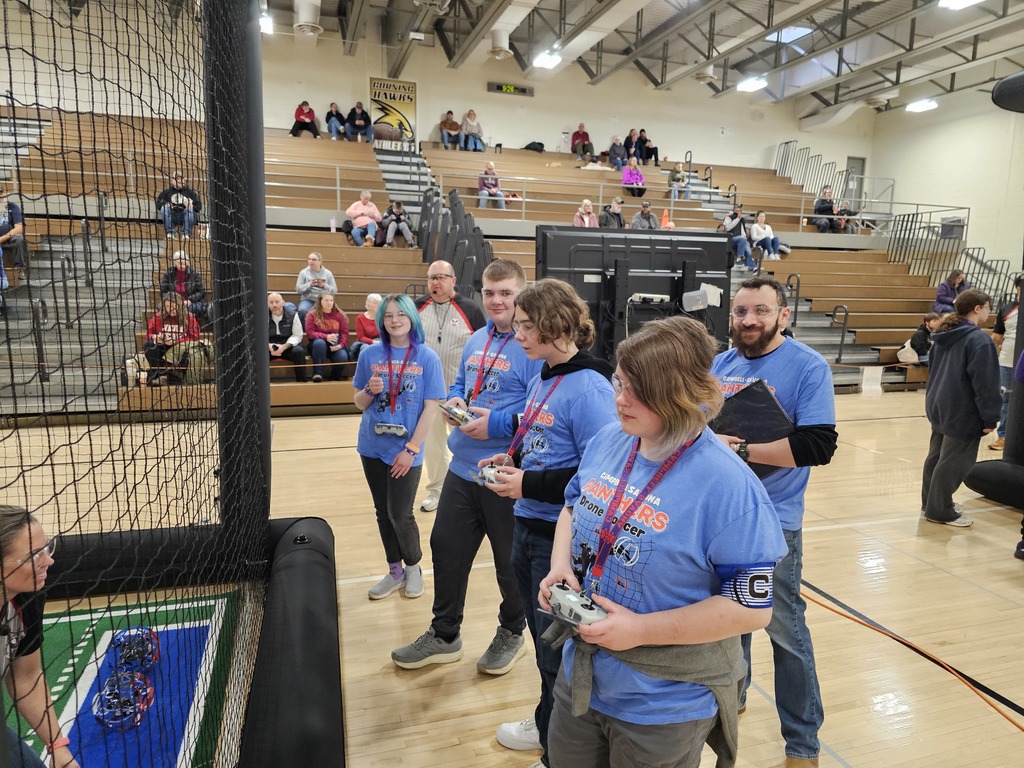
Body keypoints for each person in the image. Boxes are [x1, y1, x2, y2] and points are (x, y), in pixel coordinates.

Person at [541, 316, 787, 768]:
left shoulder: (729, 486)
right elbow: (573, 506)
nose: (620, 399)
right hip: (583, 677)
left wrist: (639, 631)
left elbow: (752, 609)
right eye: (620, 381)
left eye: (639, 389)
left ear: (681, 393)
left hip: (662, 704)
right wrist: (562, 565)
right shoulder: (611, 439)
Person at [482, 278, 618, 768]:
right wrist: (512, 456)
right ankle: (547, 727)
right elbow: (541, 436)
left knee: (554, 651)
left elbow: (597, 474)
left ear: (555, 325)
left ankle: (558, 747)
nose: (517, 334)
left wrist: (528, 484)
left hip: (554, 537)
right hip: (528, 524)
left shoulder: (591, 387)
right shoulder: (545, 374)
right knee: (545, 649)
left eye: (525, 325)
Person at [710, 275, 839, 768]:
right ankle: (735, 693)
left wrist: (742, 449)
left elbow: (817, 446)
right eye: (742, 311)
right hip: (720, 515)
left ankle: (802, 744)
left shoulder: (808, 366)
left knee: (784, 631)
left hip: (773, 522)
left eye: (761, 311)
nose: (749, 320)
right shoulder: (721, 364)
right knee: (728, 619)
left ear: (782, 315)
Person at [391, 259, 542, 675]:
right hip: (463, 468)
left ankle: (512, 632)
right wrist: (455, 400)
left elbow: (537, 412)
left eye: (506, 293)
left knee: (508, 563)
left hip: (505, 474)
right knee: (446, 546)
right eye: (490, 292)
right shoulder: (476, 340)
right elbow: (462, 383)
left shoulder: (534, 347)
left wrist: (491, 422)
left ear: (521, 295)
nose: (496, 301)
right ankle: (445, 635)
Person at [353, 294, 445, 600]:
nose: (394, 320)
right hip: (372, 446)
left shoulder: (427, 357)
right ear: (381, 320)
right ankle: (394, 572)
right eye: (388, 315)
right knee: (382, 512)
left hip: (407, 448)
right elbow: (358, 402)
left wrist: (412, 449)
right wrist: (370, 389)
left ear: (411, 319)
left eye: (400, 315)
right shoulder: (370, 354)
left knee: (400, 514)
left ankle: (413, 567)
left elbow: (431, 408)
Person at [0, 505, 81, 768]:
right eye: (35, 555)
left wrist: (57, 746)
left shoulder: (25, 600)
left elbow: (25, 677)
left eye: (48, 548)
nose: (49, 560)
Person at [922, 288, 1000, 526]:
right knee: (955, 462)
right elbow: (985, 383)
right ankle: (940, 510)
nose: (989, 312)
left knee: (937, 457)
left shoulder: (943, 335)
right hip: (962, 409)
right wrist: (990, 417)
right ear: (977, 309)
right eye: (987, 307)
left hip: (939, 404)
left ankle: (931, 503)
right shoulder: (978, 340)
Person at [415, 261, 487, 512]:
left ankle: (477, 488)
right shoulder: (417, 308)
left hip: (463, 393)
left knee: (468, 440)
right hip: (429, 393)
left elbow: (483, 345)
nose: (436, 282)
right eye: (431, 278)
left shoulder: (470, 309)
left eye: (441, 277)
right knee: (433, 445)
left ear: (453, 280)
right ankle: (437, 491)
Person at [991, 276, 1021, 451]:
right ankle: (1003, 436)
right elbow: (996, 337)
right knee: (1006, 398)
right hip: (1007, 362)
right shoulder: (1008, 309)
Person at [144, 292, 201, 386]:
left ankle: (174, 376)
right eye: (168, 306)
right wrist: (155, 337)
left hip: (181, 348)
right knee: (149, 345)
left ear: (180, 305)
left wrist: (176, 342)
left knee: (189, 354)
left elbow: (194, 337)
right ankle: (162, 375)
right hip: (163, 346)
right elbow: (149, 334)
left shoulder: (189, 318)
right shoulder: (158, 317)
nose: (171, 309)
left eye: (174, 306)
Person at [305, 292, 350, 383]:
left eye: (331, 300)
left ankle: (334, 377)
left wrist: (340, 345)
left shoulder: (340, 315)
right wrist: (326, 337)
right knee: (319, 343)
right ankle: (318, 373)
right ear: (320, 301)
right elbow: (310, 333)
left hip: (334, 345)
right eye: (326, 300)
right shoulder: (312, 315)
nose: (329, 303)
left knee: (342, 356)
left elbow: (344, 333)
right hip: (317, 346)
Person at [268, 291, 307, 382]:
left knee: (299, 351)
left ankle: (301, 381)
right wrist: (268, 345)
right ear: (267, 303)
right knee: (258, 352)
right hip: (269, 344)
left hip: (287, 344)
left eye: (277, 302)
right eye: (271, 302)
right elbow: (258, 335)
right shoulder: (261, 315)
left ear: (283, 302)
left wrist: (284, 346)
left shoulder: (293, 315)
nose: (274, 305)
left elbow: (297, 335)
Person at [159, 251, 208, 320]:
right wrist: (172, 301)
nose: (182, 265)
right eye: (179, 263)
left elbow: (201, 292)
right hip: (172, 301)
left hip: (190, 302)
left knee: (194, 308)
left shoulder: (195, 273)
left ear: (188, 262)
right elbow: (163, 292)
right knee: (161, 307)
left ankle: (188, 327)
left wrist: (190, 300)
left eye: (185, 262)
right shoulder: (168, 273)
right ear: (175, 263)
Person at [155, 172, 202, 240]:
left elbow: (198, 207)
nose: (179, 181)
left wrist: (191, 205)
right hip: (173, 216)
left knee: (190, 209)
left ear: (184, 180)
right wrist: (166, 205)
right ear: (172, 181)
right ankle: (170, 233)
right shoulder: (166, 193)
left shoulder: (191, 193)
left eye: (181, 179)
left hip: (186, 217)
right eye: (177, 179)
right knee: (164, 208)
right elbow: (158, 204)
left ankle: (186, 234)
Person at [294, 252, 337, 325]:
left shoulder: (328, 273)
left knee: (332, 312)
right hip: (308, 299)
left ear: (320, 261)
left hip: (322, 299)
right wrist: (309, 284)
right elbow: (298, 289)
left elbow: (334, 290)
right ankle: (306, 331)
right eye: (309, 259)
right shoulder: (303, 273)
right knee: (302, 310)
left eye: (314, 259)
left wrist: (324, 285)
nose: (311, 261)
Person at [0, 184, 28, 278]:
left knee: (19, 238)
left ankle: (19, 268)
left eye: (1, 193)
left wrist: (4, 237)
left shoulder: (12, 207)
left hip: (9, 238)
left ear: (4, 193)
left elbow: (19, 228)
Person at [722, 204, 755, 271]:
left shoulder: (742, 220)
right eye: (736, 211)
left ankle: (752, 267)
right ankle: (739, 258)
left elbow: (743, 231)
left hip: (742, 240)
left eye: (739, 211)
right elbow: (727, 228)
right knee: (743, 239)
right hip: (732, 238)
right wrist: (737, 219)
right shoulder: (729, 218)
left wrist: (746, 229)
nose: (737, 212)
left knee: (747, 247)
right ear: (733, 211)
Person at [350, 292, 381, 363]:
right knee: (366, 348)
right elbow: (361, 337)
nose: (378, 305)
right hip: (364, 342)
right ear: (368, 304)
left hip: (380, 341)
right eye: (376, 303)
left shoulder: (383, 317)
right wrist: (373, 342)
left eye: (380, 303)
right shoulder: (360, 318)